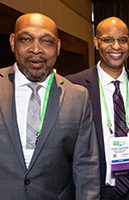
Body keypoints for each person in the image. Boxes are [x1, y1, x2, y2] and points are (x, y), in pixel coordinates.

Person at [0, 13, 100, 199]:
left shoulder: (77, 97)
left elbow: (86, 166)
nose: (36, 49)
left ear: (58, 46)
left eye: (46, 41)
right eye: (26, 39)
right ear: (13, 42)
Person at [66, 16, 129, 199]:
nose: (116, 47)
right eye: (108, 40)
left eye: (122, 40)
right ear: (96, 42)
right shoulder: (74, 86)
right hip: (93, 190)